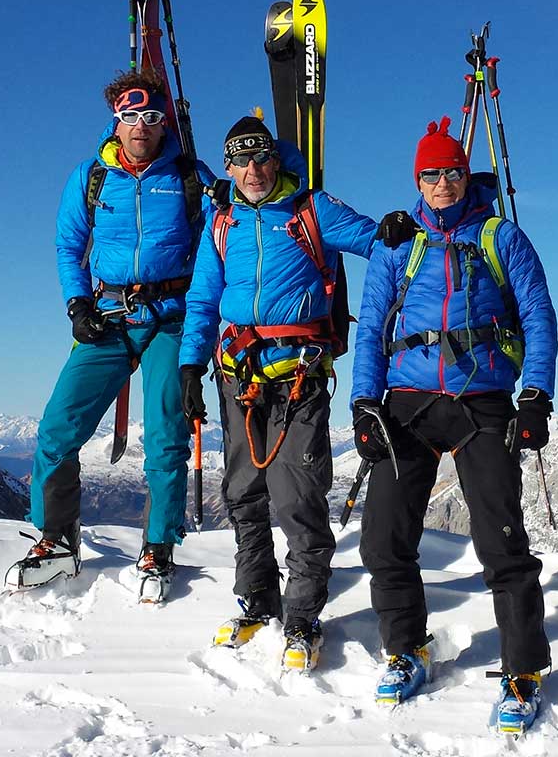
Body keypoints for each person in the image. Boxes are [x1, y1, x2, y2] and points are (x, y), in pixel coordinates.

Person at [178, 116, 416, 672]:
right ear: (229, 168)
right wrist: (190, 364)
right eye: (241, 161)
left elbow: (375, 241)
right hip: (237, 375)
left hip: (299, 378)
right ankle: (257, 599)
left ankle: (303, 615)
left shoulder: (311, 210)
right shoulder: (222, 221)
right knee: (243, 493)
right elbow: (203, 299)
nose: (253, 170)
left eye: (261, 157)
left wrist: (399, 229)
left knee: (297, 498)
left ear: (275, 159)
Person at [350, 116, 558, 734]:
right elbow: (372, 325)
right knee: (382, 536)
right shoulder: (397, 243)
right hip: (408, 400)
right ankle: (407, 649)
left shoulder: (502, 237)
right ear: (417, 180)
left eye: (452, 172)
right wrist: (363, 403)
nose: (442, 183)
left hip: (483, 399)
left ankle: (523, 671)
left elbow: (539, 315)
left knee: (501, 542)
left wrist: (536, 395)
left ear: (467, 177)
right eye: (430, 174)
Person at [6, 72, 214, 599]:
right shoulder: (91, 176)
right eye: (130, 117)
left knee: (165, 436)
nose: (141, 126)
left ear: (165, 124)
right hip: (107, 314)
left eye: (151, 117)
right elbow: (68, 245)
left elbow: (220, 245)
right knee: (58, 427)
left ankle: (158, 546)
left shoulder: (191, 178)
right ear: (116, 122)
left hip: (172, 316)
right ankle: (57, 540)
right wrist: (77, 303)